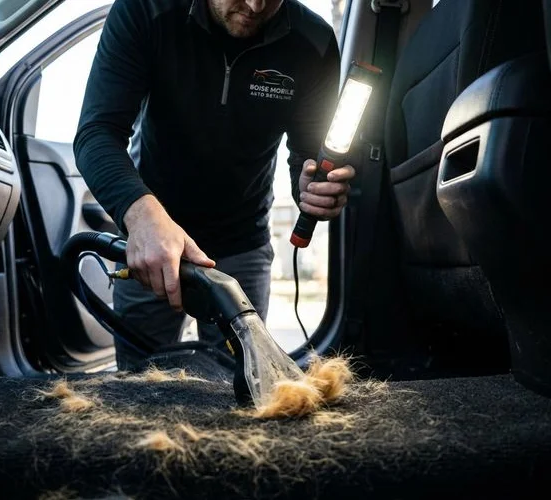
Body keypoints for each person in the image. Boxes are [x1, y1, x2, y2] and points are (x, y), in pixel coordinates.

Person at [73, 0, 354, 370]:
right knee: (140, 386)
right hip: (152, 238)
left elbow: (307, 155)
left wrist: (312, 191)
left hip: (243, 245)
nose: (255, 5)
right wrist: (141, 216)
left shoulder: (313, 42)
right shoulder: (145, 10)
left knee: (240, 383)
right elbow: (96, 134)